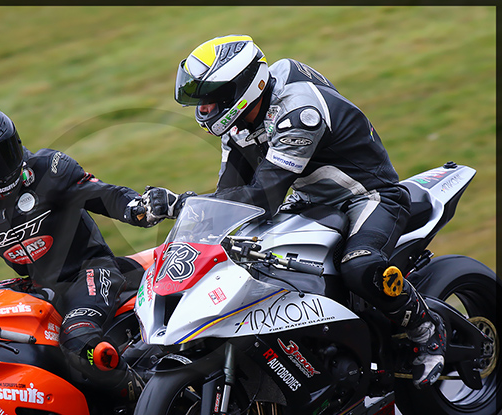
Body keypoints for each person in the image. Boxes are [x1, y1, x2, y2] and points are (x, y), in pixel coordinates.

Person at [144, 35, 445, 389]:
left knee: (359, 264)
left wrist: (179, 203)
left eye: (211, 99)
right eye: (201, 101)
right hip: (309, 201)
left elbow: (262, 196)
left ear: (241, 88)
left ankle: (426, 330)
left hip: (367, 195)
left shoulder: (299, 113)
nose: (205, 109)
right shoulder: (239, 123)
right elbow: (228, 199)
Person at [0, 104, 150, 401]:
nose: (0, 169)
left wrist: (139, 208)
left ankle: (150, 398)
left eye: (3, 154)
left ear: (16, 144)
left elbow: (106, 196)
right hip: (40, 289)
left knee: (79, 337)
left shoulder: (51, 168)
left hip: (92, 270)